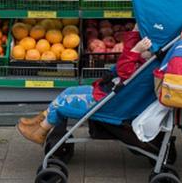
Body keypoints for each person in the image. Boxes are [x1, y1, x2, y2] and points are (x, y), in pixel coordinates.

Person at [17, 24, 152, 145]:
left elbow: (123, 70)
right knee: (69, 91)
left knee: (64, 101)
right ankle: (40, 121)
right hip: (108, 93)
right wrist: (135, 33)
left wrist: (135, 51)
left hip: (109, 103)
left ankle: (40, 132)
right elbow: (127, 60)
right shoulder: (147, 63)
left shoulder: (141, 68)